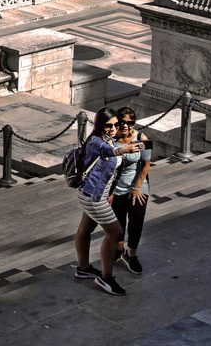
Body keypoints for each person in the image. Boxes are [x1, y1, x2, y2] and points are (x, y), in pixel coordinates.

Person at [73, 107, 143, 296]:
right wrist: (125, 148)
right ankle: (106, 278)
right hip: (93, 196)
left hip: (94, 194)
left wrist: (135, 136)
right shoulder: (97, 142)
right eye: (109, 125)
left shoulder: (110, 138)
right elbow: (110, 152)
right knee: (116, 233)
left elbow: (139, 146)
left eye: (116, 125)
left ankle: (83, 268)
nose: (113, 128)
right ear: (100, 125)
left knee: (85, 229)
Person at [109, 107, 153, 276]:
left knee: (136, 220)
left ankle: (131, 253)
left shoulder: (142, 138)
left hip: (137, 186)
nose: (126, 126)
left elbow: (146, 164)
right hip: (116, 187)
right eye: (123, 122)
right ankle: (119, 250)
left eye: (130, 122)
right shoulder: (112, 139)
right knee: (118, 221)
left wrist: (137, 187)